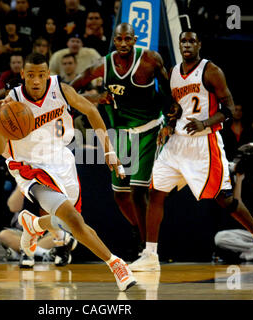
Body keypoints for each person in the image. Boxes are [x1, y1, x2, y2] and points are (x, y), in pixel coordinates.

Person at [129, 30, 253, 272]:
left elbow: (228, 107)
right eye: (183, 41)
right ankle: (150, 255)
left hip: (204, 143)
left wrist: (204, 123)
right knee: (155, 192)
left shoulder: (211, 71)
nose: (186, 45)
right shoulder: (175, 72)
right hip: (177, 143)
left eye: (191, 41)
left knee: (224, 199)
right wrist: (170, 120)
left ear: (199, 44)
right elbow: (179, 106)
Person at [0, 52, 136, 291]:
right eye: (30, 75)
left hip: (61, 159)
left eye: (41, 75)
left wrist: (108, 151)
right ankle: (116, 264)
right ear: (23, 75)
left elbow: (92, 111)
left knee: (65, 222)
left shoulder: (61, 89)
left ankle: (34, 225)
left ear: (48, 74)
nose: (36, 81)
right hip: (30, 167)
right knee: (75, 221)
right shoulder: (12, 102)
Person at [71, 23, 179, 259]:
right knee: (120, 194)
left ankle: (147, 247)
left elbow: (168, 94)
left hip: (149, 129)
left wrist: (170, 123)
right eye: (118, 39)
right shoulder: (104, 65)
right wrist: (95, 97)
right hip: (120, 133)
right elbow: (73, 87)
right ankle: (140, 232)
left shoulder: (150, 59)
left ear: (135, 39)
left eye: (127, 39)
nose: (122, 44)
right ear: (114, 41)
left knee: (139, 192)